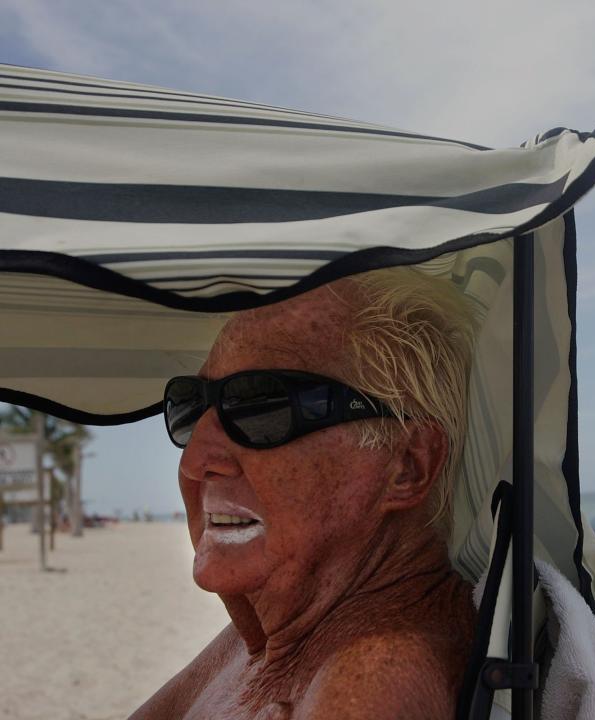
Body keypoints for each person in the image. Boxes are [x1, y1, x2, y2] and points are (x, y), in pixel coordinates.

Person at [131, 268, 479, 720]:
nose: (195, 462)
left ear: (408, 466)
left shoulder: (375, 679)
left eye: (263, 407)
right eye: (192, 408)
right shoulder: (268, 635)